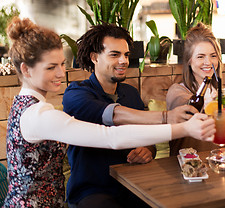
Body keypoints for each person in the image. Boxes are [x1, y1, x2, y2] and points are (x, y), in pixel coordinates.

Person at [3, 17, 215, 207]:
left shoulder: (26, 106)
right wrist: (181, 127)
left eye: (62, 64)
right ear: (25, 69)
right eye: (51, 67)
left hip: (125, 186)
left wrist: (148, 148)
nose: (61, 73)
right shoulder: (42, 113)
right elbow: (112, 136)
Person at [62, 23, 201, 208]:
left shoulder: (131, 93)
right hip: (92, 191)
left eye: (126, 55)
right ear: (94, 57)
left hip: (132, 187)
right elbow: (113, 114)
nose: (123, 61)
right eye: (114, 54)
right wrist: (167, 118)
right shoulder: (75, 93)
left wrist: (147, 150)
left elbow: (148, 140)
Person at [166, 22, 222, 156]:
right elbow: (189, 109)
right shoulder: (178, 92)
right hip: (187, 167)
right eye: (200, 57)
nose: (208, 62)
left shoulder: (221, 91)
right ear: (189, 61)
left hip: (220, 164)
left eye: (213, 56)